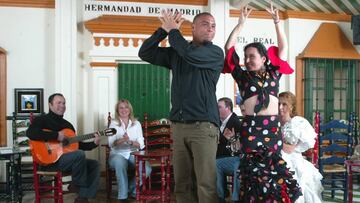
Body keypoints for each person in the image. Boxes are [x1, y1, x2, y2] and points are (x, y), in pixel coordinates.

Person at [138, 10, 224, 203]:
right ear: (192, 27)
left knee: (205, 183)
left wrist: (173, 31)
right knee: (182, 184)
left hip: (204, 128)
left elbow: (190, 54)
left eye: (213, 25)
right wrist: (163, 30)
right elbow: (145, 52)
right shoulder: (177, 53)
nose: (210, 28)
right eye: (205, 24)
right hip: (178, 127)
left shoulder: (215, 52)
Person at [223, 3, 302, 202]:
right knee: (251, 175)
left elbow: (283, 47)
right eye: (246, 56)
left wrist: (277, 22)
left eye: (252, 56)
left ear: (264, 58)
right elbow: (229, 49)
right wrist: (240, 25)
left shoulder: (274, 74)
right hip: (250, 129)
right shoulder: (242, 76)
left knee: (272, 176)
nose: (248, 60)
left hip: (272, 130)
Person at [26, 93, 100, 203]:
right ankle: (77, 185)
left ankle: (82, 197)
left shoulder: (68, 126)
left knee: (95, 164)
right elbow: (30, 133)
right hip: (49, 162)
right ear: (50, 105)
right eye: (58, 103)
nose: (62, 105)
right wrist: (56, 136)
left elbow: (77, 146)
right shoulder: (42, 120)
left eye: (64, 103)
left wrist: (94, 143)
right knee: (79, 155)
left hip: (68, 162)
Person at [279, 91, 323, 203]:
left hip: (292, 157)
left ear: (291, 107)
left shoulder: (297, 123)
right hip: (277, 154)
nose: (280, 107)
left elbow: (307, 142)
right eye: (279, 104)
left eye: (284, 104)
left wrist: (294, 147)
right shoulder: (274, 122)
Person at [107, 99, 152, 202]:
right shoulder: (113, 124)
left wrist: (130, 142)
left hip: (133, 153)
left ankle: (132, 189)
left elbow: (141, 144)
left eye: (126, 107)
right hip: (117, 154)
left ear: (130, 109)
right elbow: (111, 143)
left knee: (147, 169)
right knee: (120, 163)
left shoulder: (136, 124)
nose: (124, 110)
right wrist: (123, 140)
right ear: (117, 110)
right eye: (121, 108)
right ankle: (122, 197)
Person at [216, 97, 241, 203]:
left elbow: (238, 147)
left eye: (219, 107)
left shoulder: (235, 122)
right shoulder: (218, 121)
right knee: (212, 163)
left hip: (232, 156)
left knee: (216, 163)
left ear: (228, 108)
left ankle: (234, 199)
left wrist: (232, 139)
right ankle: (220, 196)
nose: (217, 109)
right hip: (220, 156)